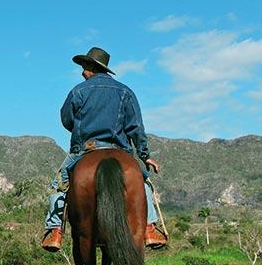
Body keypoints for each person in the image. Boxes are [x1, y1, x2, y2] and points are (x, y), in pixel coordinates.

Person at [41, 46, 168, 252]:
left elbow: (66, 120)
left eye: (84, 67)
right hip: (120, 149)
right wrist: (145, 155)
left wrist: (82, 127)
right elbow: (135, 127)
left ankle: (55, 230)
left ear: (91, 67)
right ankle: (149, 228)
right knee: (143, 183)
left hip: (85, 149)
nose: (82, 72)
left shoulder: (78, 91)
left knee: (59, 185)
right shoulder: (126, 92)